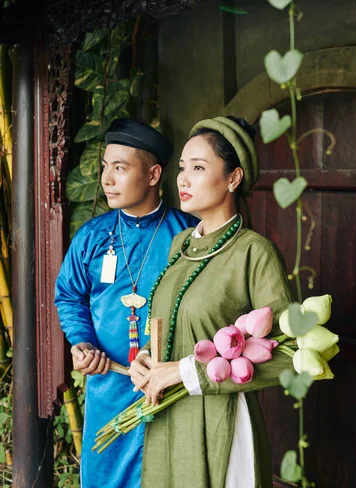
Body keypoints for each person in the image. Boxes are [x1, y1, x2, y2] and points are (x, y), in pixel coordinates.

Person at [129, 116, 293, 488]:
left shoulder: (254, 253)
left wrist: (188, 373)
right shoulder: (180, 244)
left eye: (198, 168)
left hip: (221, 422)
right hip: (166, 419)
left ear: (233, 178)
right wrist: (149, 361)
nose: (183, 179)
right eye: (182, 168)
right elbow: (175, 324)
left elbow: (288, 355)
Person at [54, 118, 198, 488]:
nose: (106, 179)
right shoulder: (92, 236)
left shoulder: (186, 236)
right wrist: (82, 341)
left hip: (167, 390)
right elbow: (69, 295)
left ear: (152, 175)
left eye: (120, 168)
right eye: (105, 166)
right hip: (108, 386)